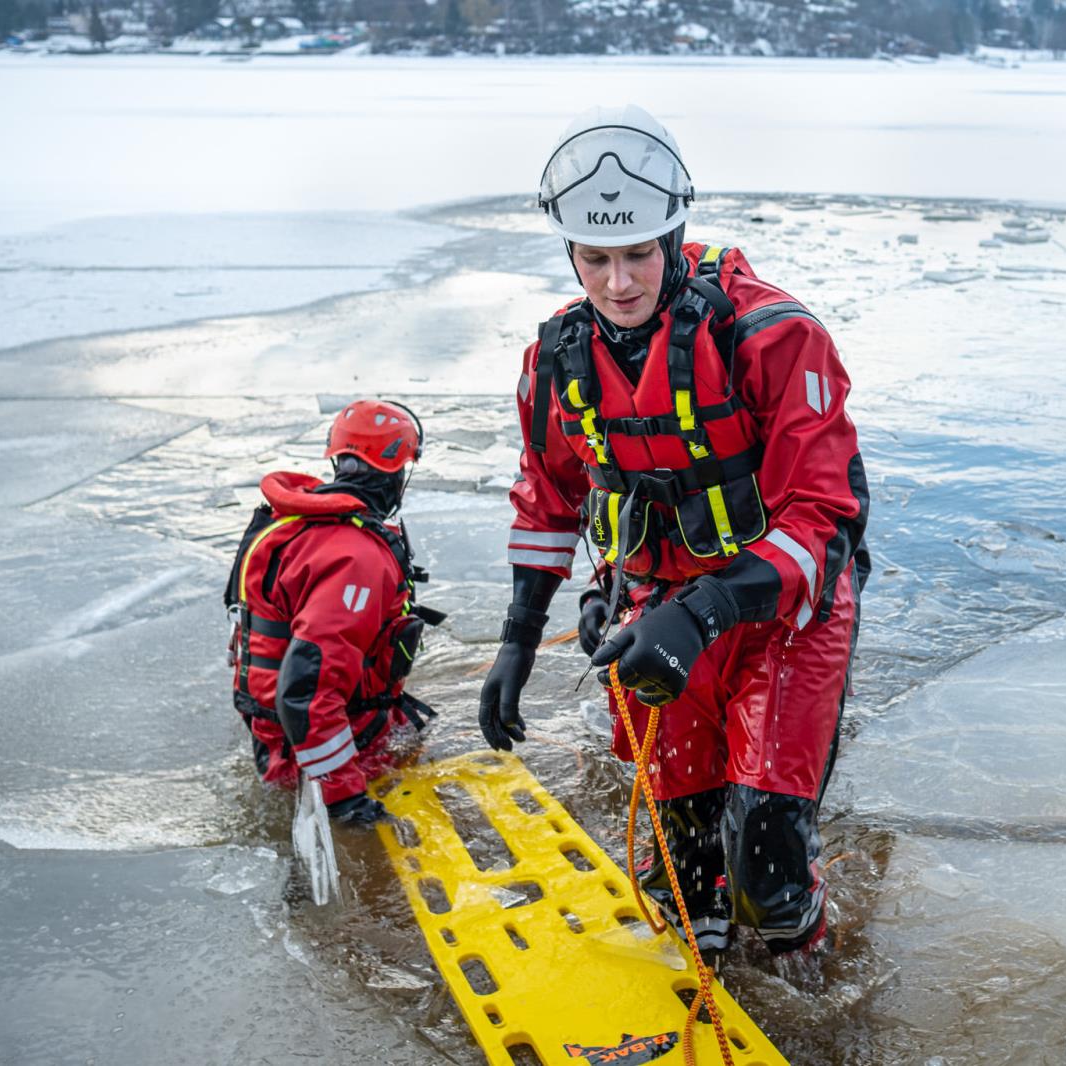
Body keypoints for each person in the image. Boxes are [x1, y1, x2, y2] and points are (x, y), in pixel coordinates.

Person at [477, 105, 869, 955]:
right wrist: (517, 641)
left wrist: (704, 613)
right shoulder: (554, 364)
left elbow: (825, 519)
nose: (618, 283)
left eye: (639, 256)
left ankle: (812, 993)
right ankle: (707, 968)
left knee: (764, 865)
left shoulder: (774, 337)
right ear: (571, 254)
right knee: (684, 872)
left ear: (675, 237)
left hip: (782, 618)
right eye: (596, 259)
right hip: (652, 612)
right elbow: (548, 499)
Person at [226, 399, 443, 827]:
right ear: (398, 468)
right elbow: (306, 689)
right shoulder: (356, 557)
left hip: (286, 736)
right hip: (317, 753)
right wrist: (346, 798)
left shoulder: (301, 525)